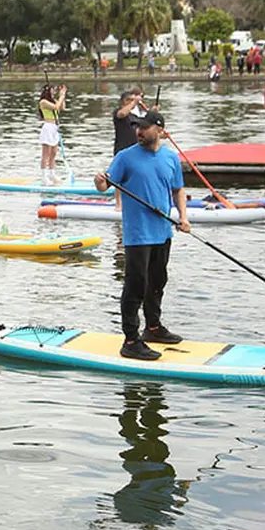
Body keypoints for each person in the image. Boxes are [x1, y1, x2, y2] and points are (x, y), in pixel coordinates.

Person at [93, 110, 190, 361]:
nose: (138, 131)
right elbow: (105, 186)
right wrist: (99, 181)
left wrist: (184, 217)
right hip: (138, 234)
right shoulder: (125, 157)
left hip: (162, 231)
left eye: (144, 127)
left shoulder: (170, 158)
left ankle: (154, 328)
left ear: (160, 130)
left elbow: (178, 190)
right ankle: (131, 340)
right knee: (135, 286)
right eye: (137, 127)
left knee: (157, 282)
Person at [38, 83, 66, 185]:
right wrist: (61, 97)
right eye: (52, 90)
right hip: (48, 127)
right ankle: (44, 177)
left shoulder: (54, 101)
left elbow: (61, 107)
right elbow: (55, 107)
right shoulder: (43, 102)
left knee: (53, 153)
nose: (54, 92)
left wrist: (62, 95)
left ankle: (51, 173)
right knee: (46, 154)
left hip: (55, 128)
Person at [113, 88, 146, 155]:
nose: (130, 102)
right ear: (122, 102)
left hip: (135, 150)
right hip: (122, 150)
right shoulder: (118, 112)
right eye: (128, 100)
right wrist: (134, 102)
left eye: (132, 100)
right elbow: (122, 114)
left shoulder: (134, 116)